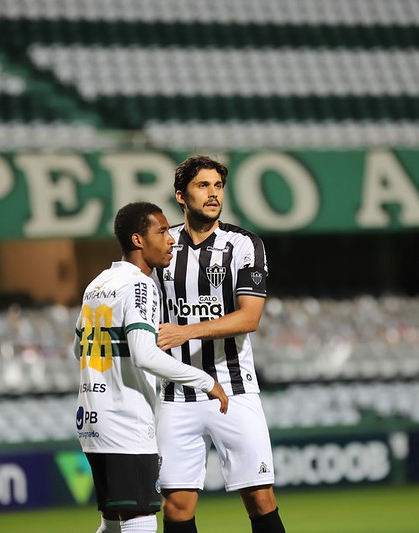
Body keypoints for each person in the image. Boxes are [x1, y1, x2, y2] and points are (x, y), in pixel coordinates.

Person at [75, 202, 229, 533]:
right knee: (140, 518)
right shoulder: (140, 284)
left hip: (92, 420)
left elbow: (78, 347)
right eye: (161, 232)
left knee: (113, 524)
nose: (171, 239)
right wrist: (205, 380)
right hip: (124, 421)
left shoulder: (97, 284)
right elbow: (145, 355)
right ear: (138, 240)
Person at [152, 156, 286, 533]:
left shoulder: (244, 244)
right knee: (176, 507)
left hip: (234, 387)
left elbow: (249, 318)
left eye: (218, 186)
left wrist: (186, 331)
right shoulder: (162, 245)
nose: (213, 194)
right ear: (181, 196)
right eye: (202, 186)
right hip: (176, 394)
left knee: (260, 498)